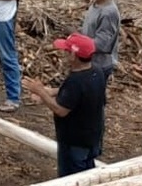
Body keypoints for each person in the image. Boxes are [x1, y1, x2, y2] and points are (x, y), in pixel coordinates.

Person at [26, 34, 106, 177]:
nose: (63, 54)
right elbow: (78, 94)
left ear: (74, 56)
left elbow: (61, 110)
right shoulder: (96, 72)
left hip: (75, 142)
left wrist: (41, 92)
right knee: (88, 174)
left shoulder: (75, 81)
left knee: (72, 180)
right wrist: (49, 92)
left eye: (66, 51)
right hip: (92, 138)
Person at [79, 0, 121, 82]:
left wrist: (78, 40)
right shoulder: (96, 5)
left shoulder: (108, 13)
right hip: (90, 63)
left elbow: (102, 44)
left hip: (99, 66)